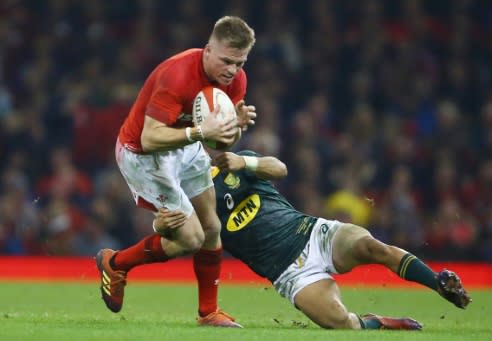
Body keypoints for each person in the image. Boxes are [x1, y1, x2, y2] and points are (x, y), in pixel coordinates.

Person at [154, 150, 472, 330]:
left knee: (372, 247)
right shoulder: (187, 200)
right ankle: (380, 323)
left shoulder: (235, 162)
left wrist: (244, 162)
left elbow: (280, 168)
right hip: (290, 273)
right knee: (340, 324)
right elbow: (183, 238)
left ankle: (438, 282)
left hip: (312, 233)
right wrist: (161, 225)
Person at [95, 16, 256, 328]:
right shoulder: (177, 75)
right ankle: (115, 263)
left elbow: (220, 140)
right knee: (191, 238)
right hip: (144, 154)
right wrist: (199, 132)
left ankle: (208, 313)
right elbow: (150, 137)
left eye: (239, 63)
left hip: (185, 144)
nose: (232, 71)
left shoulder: (236, 81)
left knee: (211, 226)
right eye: (226, 61)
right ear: (208, 50)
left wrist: (235, 126)